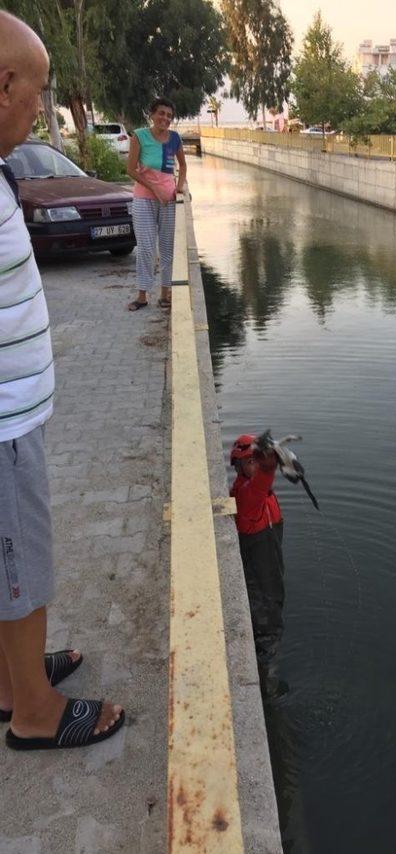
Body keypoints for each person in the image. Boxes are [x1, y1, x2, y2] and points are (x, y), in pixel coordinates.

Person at [0, 11, 124, 750]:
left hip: (15, 417)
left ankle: (12, 677)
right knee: (22, 567)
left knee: (7, 564)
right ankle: (35, 714)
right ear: (3, 81)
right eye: (38, 91)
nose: (42, 108)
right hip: (5, 428)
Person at [230, 435, 286, 697]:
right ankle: (267, 695)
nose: (255, 467)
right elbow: (261, 483)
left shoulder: (263, 495)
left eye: (257, 461)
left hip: (270, 578)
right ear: (239, 466)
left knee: (269, 630)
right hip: (260, 590)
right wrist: (269, 464)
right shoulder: (247, 496)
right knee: (268, 638)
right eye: (250, 462)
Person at [126, 97, 187, 312]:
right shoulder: (140, 137)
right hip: (144, 199)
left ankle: (165, 294)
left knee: (168, 247)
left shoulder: (175, 139)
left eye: (169, 116)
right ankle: (142, 295)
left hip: (169, 200)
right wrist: (154, 189)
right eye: (161, 113)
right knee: (146, 247)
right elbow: (131, 170)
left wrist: (178, 187)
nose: (165, 118)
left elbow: (183, 167)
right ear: (152, 114)